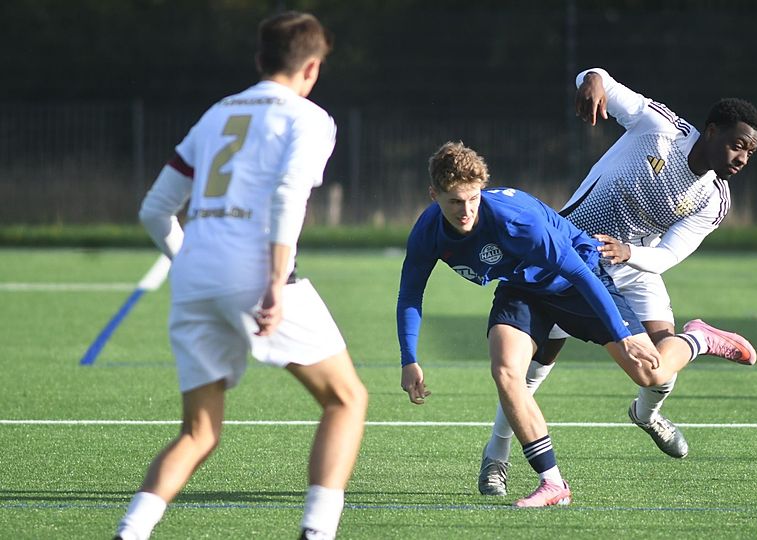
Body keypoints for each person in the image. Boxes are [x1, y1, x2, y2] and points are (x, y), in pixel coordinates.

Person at [114, 12, 367, 540]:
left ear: (259, 60)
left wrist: (189, 264)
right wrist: (276, 280)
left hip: (194, 277)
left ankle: (131, 532)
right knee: (346, 400)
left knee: (199, 433)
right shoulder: (309, 118)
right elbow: (287, 194)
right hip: (255, 274)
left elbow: (155, 209)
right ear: (313, 67)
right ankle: (317, 533)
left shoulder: (216, 114)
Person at [477, 67, 757, 497]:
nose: (742, 159)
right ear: (711, 131)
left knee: (659, 371)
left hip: (637, 268)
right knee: (531, 373)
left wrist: (630, 253)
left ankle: (648, 414)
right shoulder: (659, 128)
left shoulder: (714, 199)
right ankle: (495, 458)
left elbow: (667, 255)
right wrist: (591, 79)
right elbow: (598, 81)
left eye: (749, 153)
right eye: (738, 145)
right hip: (570, 258)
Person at [397, 141, 670, 508]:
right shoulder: (427, 231)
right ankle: (552, 483)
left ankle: (698, 339)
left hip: (573, 282)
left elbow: (578, 273)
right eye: (454, 202)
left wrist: (622, 334)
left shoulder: (514, 220)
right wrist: (409, 358)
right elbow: (410, 295)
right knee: (507, 371)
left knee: (648, 374)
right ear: (434, 194)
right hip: (522, 289)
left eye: (473, 199)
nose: (466, 211)